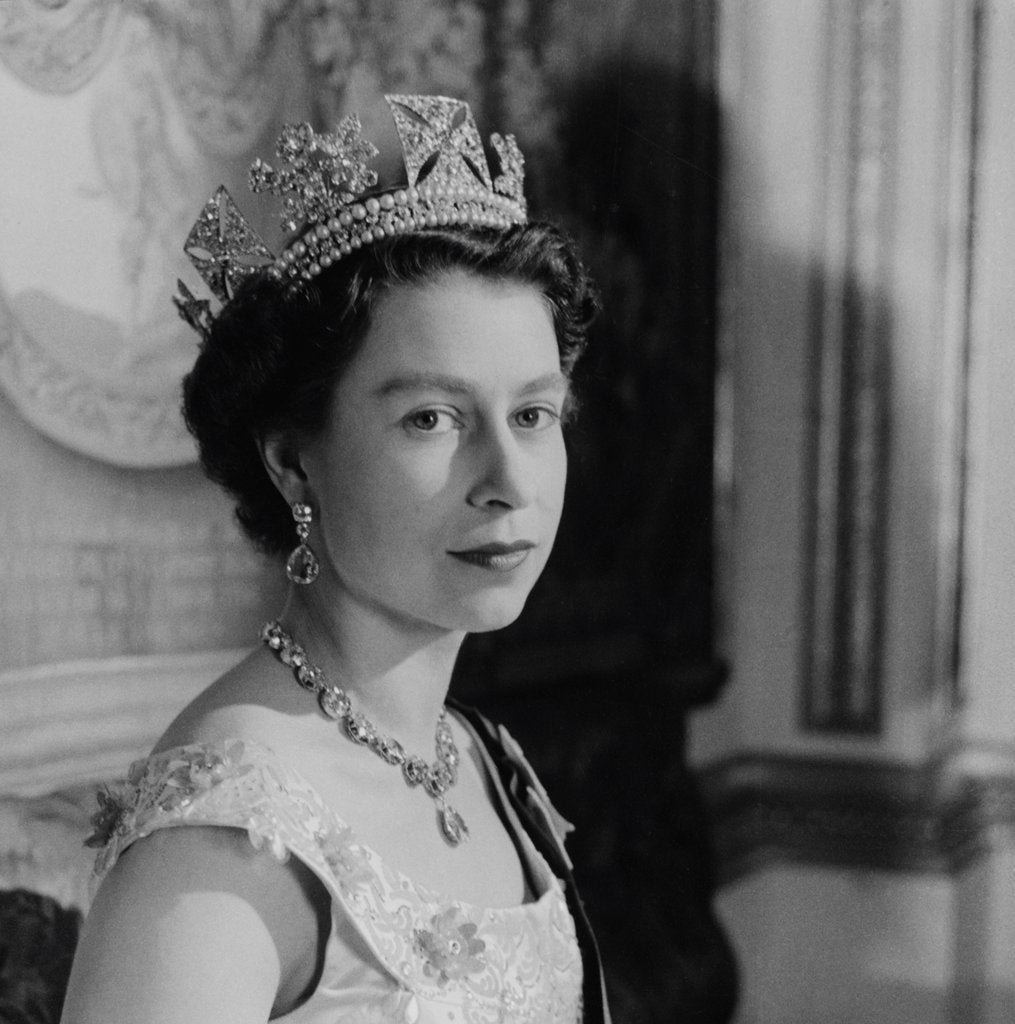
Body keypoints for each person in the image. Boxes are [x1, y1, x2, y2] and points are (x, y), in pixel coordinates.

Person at [61, 95, 608, 1024]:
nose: (508, 481)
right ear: (291, 460)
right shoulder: (223, 843)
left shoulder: (477, 755)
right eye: (431, 418)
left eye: (531, 414)